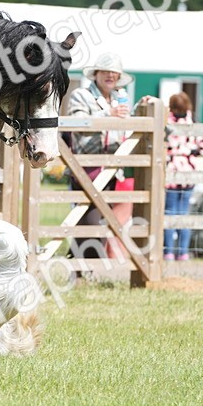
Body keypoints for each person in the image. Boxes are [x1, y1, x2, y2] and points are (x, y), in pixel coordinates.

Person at [66, 52, 134, 259]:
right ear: (96, 74)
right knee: (90, 218)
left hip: (112, 168)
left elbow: (127, 128)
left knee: (102, 219)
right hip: (87, 166)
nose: (110, 76)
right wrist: (107, 115)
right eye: (106, 71)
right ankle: (84, 266)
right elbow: (76, 123)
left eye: (114, 73)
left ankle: (81, 266)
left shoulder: (120, 98)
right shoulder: (81, 95)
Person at [164, 92, 203, 261]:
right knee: (184, 212)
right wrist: (191, 151)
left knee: (169, 212)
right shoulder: (193, 121)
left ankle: (168, 251)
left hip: (172, 170)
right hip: (189, 171)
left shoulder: (166, 122)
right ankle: (183, 252)